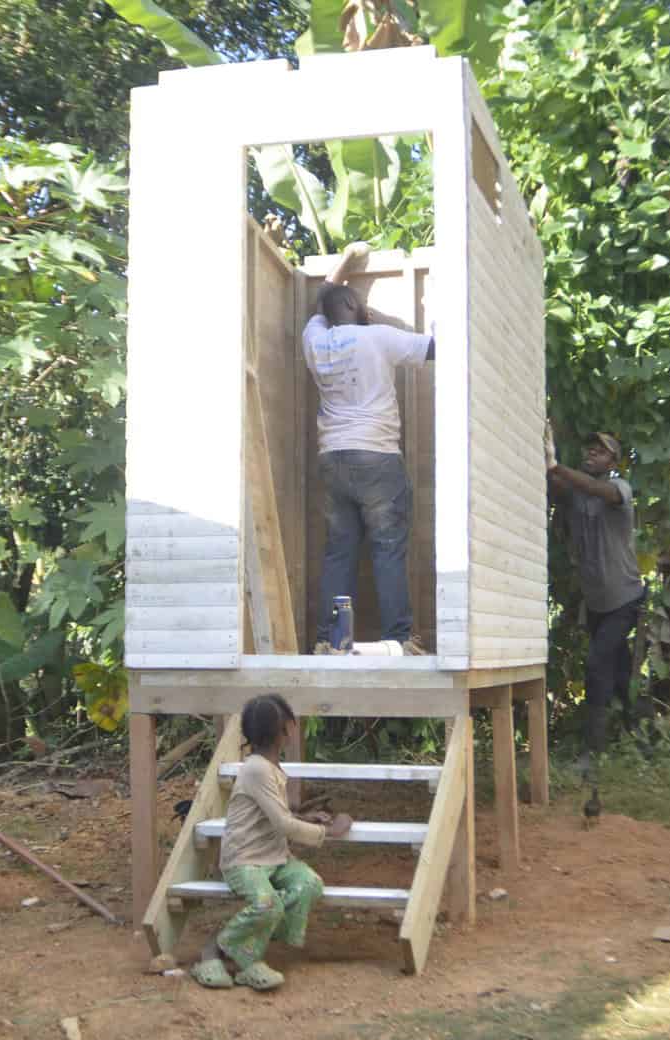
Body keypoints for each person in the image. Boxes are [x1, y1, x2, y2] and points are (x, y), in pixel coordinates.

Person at [302, 241, 435, 654]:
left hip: (333, 458)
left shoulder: (315, 338)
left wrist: (342, 265)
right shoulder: (378, 337)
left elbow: (325, 298)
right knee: (388, 548)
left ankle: (330, 640)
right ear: (360, 312)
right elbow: (435, 349)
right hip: (376, 457)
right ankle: (398, 638)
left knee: (339, 551)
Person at [192, 694, 352, 991]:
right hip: (245, 860)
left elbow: (278, 812)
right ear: (287, 729)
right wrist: (331, 831)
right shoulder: (256, 769)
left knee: (309, 884)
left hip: (274, 857)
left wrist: (306, 814)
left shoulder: (269, 767)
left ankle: (246, 950)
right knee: (269, 903)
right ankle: (216, 949)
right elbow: (282, 824)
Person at [546, 426, 646, 773]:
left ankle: (591, 753)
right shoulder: (574, 495)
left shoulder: (618, 489)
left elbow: (593, 488)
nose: (592, 454)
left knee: (596, 665)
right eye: (590, 449)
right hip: (597, 604)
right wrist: (544, 458)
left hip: (625, 598)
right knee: (617, 671)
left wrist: (557, 468)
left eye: (601, 452)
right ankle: (637, 732)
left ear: (614, 462)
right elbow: (555, 486)